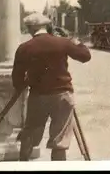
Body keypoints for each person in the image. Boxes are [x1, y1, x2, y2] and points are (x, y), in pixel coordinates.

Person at [12, 13, 92, 161]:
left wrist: (29, 81)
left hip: (37, 96)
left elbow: (17, 80)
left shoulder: (24, 48)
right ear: (47, 26)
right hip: (62, 95)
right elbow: (85, 56)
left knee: (30, 133)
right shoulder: (62, 42)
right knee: (59, 140)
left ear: (30, 28)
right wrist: (72, 40)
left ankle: (22, 164)